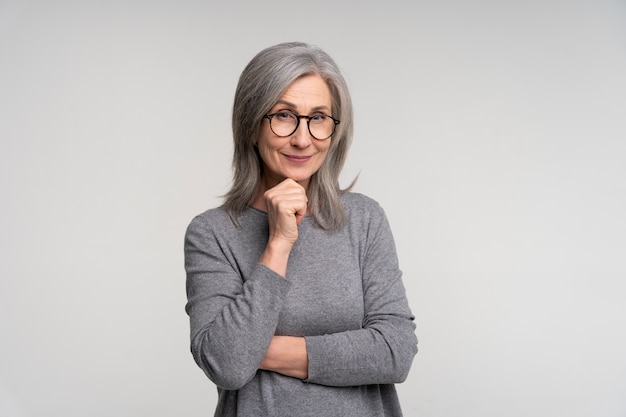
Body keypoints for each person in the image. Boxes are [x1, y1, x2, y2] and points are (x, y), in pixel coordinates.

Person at [184, 41, 417, 417]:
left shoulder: (364, 219)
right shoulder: (212, 233)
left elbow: (396, 351)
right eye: (283, 116)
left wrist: (259, 349)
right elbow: (226, 364)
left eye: (319, 118)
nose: (303, 138)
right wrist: (278, 243)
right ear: (250, 125)